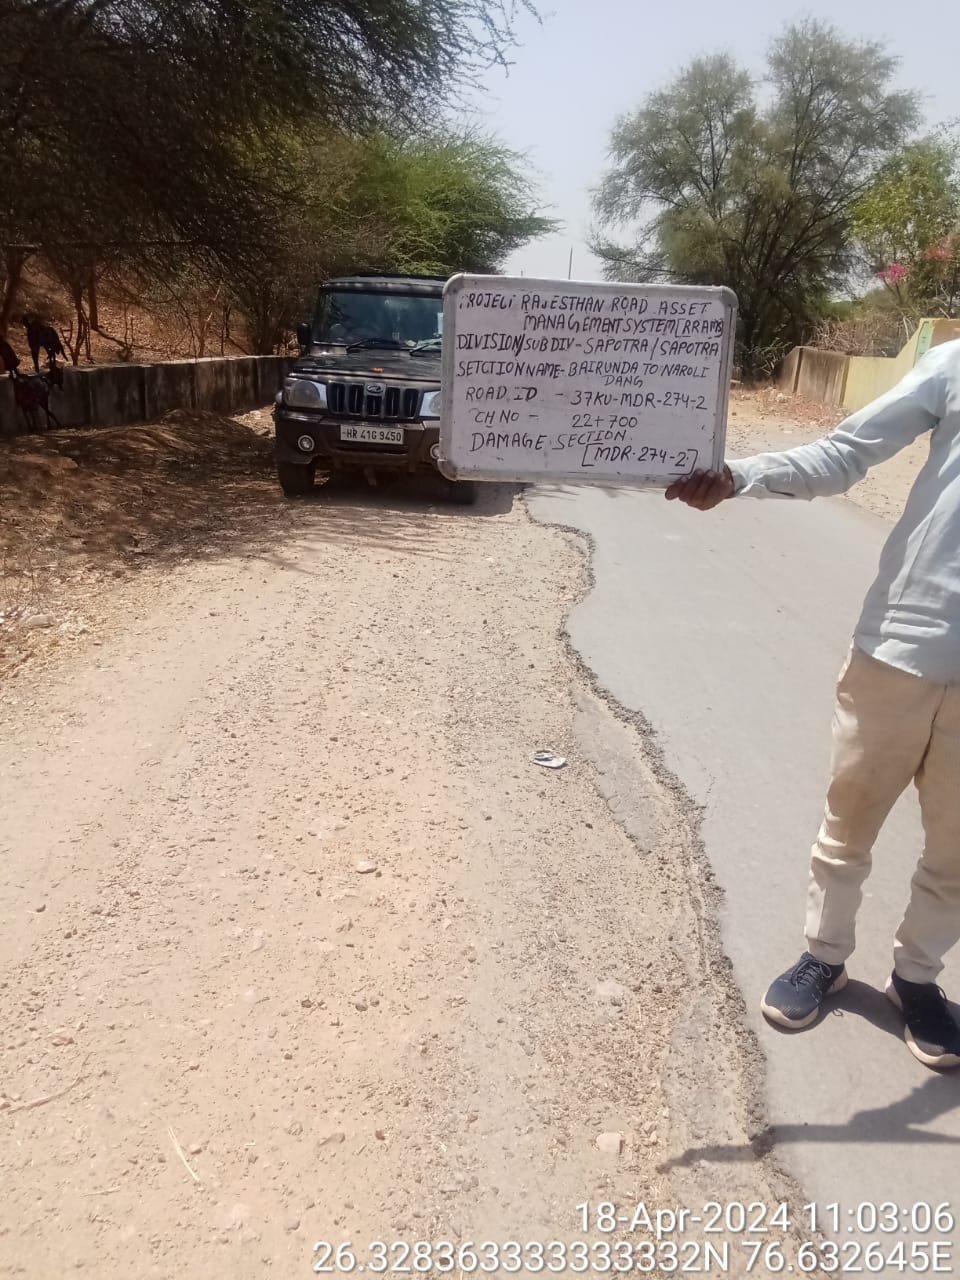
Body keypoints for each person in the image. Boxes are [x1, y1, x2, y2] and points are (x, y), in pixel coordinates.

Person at [665, 339, 960, 1070]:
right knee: (849, 821)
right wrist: (740, 476)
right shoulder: (954, 365)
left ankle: (916, 980)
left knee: (957, 853)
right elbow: (846, 453)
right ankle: (824, 957)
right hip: (901, 643)